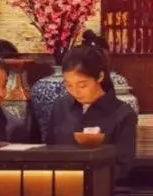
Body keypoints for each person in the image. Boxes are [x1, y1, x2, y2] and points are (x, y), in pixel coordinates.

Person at [45, 44, 137, 179]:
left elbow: (123, 166)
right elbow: (49, 151)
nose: (75, 91)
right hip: (61, 184)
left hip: (101, 186)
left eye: (82, 85)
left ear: (100, 76)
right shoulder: (60, 106)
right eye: (69, 85)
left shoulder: (123, 114)